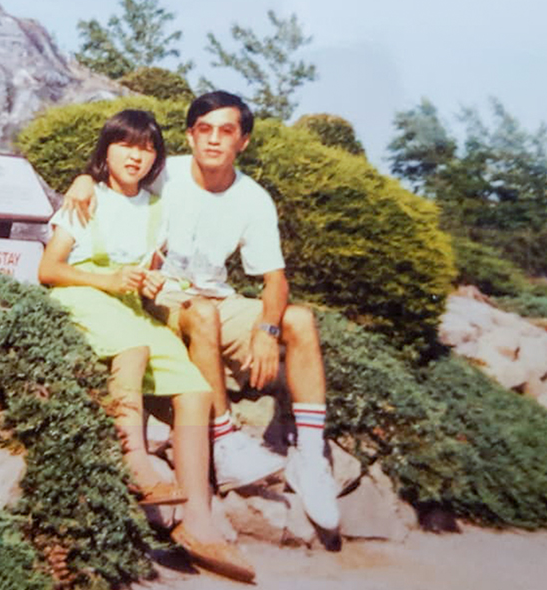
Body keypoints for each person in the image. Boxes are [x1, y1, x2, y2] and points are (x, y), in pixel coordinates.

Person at [64, 92, 342, 545]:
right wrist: (79, 179)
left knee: (301, 321)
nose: (213, 140)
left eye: (226, 131)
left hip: (213, 298)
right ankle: (226, 439)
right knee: (205, 312)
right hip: (160, 296)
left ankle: (311, 456)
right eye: (204, 130)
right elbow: (112, 173)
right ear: (191, 135)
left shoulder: (253, 198)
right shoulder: (163, 171)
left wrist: (268, 331)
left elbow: (275, 279)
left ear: (243, 141)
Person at [38, 109, 255, 583]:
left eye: (147, 147)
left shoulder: (156, 209)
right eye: (125, 145)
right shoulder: (86, 197)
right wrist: (109, 278)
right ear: (105, 150)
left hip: (130, 306)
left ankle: (198, 519)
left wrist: (150, 285)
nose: (136, 156)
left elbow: (148, 271)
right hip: (82, 294)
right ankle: (135, 459)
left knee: (196, 391)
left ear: (156, 156)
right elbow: (48, 270)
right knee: (133, 347)